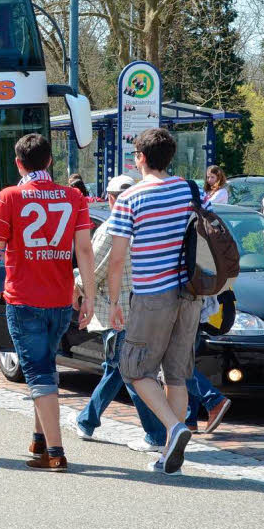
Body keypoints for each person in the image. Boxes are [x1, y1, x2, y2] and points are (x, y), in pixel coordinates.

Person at [0, 134, 95, 472]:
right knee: (45, 366)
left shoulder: (10, 197)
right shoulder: (74, 197)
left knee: (39, 372)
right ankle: (39, 440)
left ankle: (56, 451)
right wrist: (89, 294)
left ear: (19, 163)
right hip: (60, 297)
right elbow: (85, 251)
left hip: (23, 297)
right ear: (49, 161)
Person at [106, 127, 208, 475]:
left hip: (152, 295)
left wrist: (116, 301)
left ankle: (175, 428)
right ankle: (169, 455)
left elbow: (118, 258)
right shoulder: (191, 190)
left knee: (134, 368)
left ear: (141, 159)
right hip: (191, 293)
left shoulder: (130, 199)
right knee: (176, 375)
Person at [72, 175, 167, 453]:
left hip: (119, 314)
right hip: (149, 309)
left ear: (111, 198)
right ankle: (86, 420)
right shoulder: (150, 226)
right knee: (117, 370)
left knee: (130, 374)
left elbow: (95, 272)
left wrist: (75, 284)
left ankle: (156, 434)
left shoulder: (112, 228)